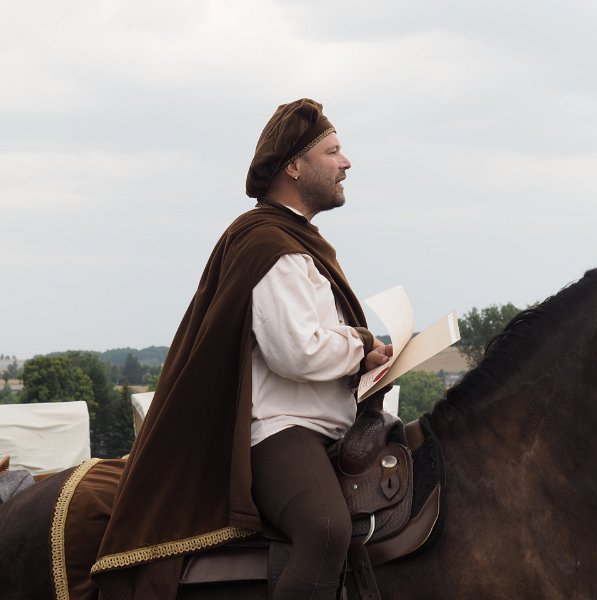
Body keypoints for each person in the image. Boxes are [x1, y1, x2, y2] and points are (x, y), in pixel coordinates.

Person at [93, 99, 391, 600]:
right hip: (282, 432)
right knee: (326, 533)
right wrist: (361, 346)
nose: (347, 163)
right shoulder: (271, 245)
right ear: (294, 166)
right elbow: (296, 352)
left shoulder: (288, 240)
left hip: (318, 424)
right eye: (333, 151)